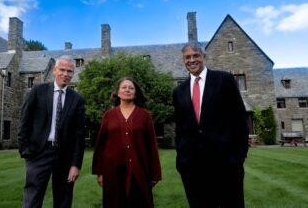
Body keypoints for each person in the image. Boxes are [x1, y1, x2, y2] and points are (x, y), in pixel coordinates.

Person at [173, 42, 249, 208]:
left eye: (196, 56)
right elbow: (180, 128)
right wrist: (181, 159)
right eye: (187, 57)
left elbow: (239, 119)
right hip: (192, 166)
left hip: (226, 163)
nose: (192, 60)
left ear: (204, 57)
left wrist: (239, 155)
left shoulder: (224, 80)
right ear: (183, 60)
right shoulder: (179, 91)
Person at [18, 55, 85, 208]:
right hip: (38, 153)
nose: (66, 74)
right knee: (32, 199)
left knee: (63, 200)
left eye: (69, 71)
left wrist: (75, 164)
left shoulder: (77, 100)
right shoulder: (38, 91)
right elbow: (24, 122)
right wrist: (25, 150)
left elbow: (79, 135)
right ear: (54, 70)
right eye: (62, 70)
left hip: (65, 156)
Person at [92, 77, 162, 208]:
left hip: (139, 171)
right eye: (124, 87)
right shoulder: (109, 115)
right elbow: (100, 145)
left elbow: (151, 145)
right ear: (118, 93)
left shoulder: (144, 115)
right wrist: (99, 172)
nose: (127, 90)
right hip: (112, 172)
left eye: (131, 88)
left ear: (135, 93)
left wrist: (155, 174)